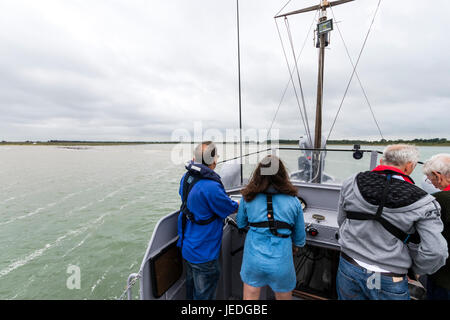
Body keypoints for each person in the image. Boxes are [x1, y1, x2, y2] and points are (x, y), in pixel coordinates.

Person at [336, 144, 448, 300]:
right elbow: (436, 251)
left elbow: (342, 221)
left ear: (381, 160)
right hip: (390, 275)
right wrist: (414, 269)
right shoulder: (425, 202)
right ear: (410, 166)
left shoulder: (351, 182)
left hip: (349, 264)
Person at [236, 155, 306, 300]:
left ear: (259, 174)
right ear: (281, 175)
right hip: (281, 260)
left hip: (253, 259)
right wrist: (295, 246)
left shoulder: (247, 197)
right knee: (283, 296)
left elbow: (241, 223)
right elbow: (299, 238)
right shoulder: (294, 202)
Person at [177, 141, 239, 300]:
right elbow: (230, 208)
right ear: (213, 161)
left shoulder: (187, 178)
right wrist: (242, 202)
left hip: (188, 248)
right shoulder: (211, 187)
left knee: (191, 294)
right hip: (204, 254)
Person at [423, 153, 450, 300]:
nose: (432, 183)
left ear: (438, 175)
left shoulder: (440, 201)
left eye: (430, 178)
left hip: (443, 279)